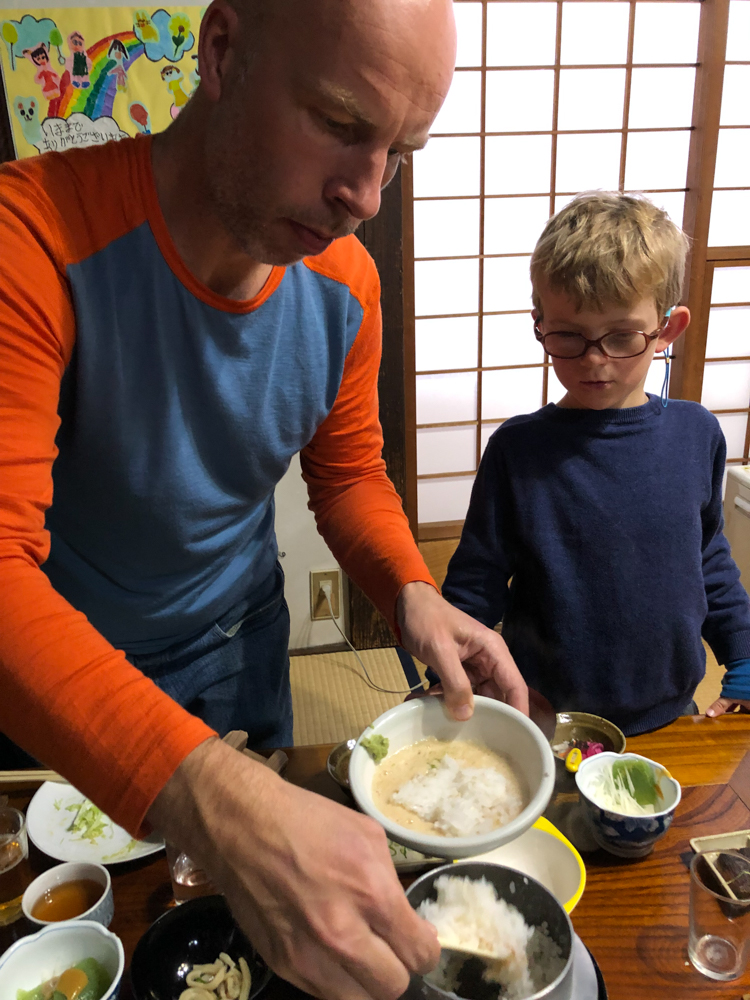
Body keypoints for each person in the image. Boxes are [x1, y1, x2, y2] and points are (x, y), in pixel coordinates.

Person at [0, 0, 529, 997]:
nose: (364, 196)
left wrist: (411, 590)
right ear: (223, 49)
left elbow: (350, 473)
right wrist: (213, 794)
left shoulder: (347, 284)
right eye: (339, 122)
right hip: (65, 671)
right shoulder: (33, 240)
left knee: (250, 949)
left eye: (397, 155)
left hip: (241, 644)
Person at [442, 192, 750, 738]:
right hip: (543, 715)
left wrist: (744, 658)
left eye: (622, 336)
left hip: (671, 710)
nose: (594, 360)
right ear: (539, 323)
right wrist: (449, 672)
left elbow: (707, 556)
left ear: (668, 328)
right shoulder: (518, 449)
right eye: (568, 335)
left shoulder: (696, 434)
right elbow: (477, 578)